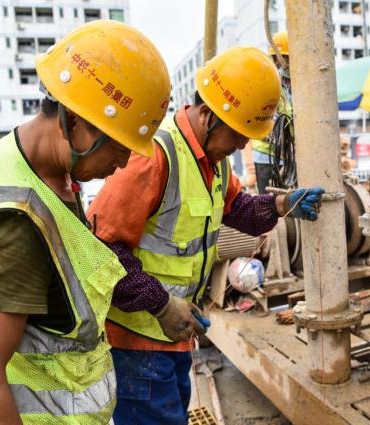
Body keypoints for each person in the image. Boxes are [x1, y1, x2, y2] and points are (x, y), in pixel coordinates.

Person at [87, 46, 324, 424]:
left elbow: (238, 210)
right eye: (239, 133)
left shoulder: (215, 161)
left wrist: (280, 206)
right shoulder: (155, 157)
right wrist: (162, 305)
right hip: (137, 342)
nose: (244, 145)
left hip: (173, 339)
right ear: (208, 115)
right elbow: (98, 251)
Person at [0, 20, 171, 424]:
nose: (123, 163)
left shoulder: (50, 169)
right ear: (74, 121)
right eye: (120, 147)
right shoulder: (20, 219)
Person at [251, 31, 294, 193]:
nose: (285, 63)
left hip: (289, 155)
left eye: (288, 58)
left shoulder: (298, 84)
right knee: (268, 203)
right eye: (283, 58)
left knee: (289, 201)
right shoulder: (266, 83)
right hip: (266, 154)